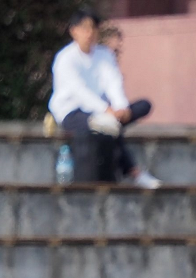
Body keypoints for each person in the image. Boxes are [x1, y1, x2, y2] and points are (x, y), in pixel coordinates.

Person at [49, 9, 160, 188]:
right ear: (73, 31)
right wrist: (106, 111)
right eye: (84, 28)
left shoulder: (104, 55)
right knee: (107, 125)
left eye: (93, 28)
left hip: (105, 114)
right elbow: (79, 91)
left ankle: (130, 166)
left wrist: (121, 107)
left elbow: (113, 82)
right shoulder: (65, 59)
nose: (89, 33)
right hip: (72, 113)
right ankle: (134, 171)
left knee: (143, 106)